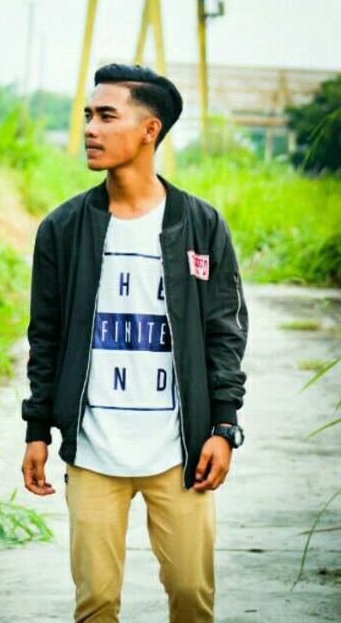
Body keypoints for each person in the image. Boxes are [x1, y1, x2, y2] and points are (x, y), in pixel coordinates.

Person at [21, 63, 249, 623]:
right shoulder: (63, 229)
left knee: (192, 598)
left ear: (150, 130)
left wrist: (224, 426)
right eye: (88, 116)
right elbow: (45, 337)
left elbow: (224, 333)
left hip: (180, 451)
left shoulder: (201, 224)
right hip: (94, 451)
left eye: (106, 116)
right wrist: (37, 430)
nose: (89, 129)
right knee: (96, 603)